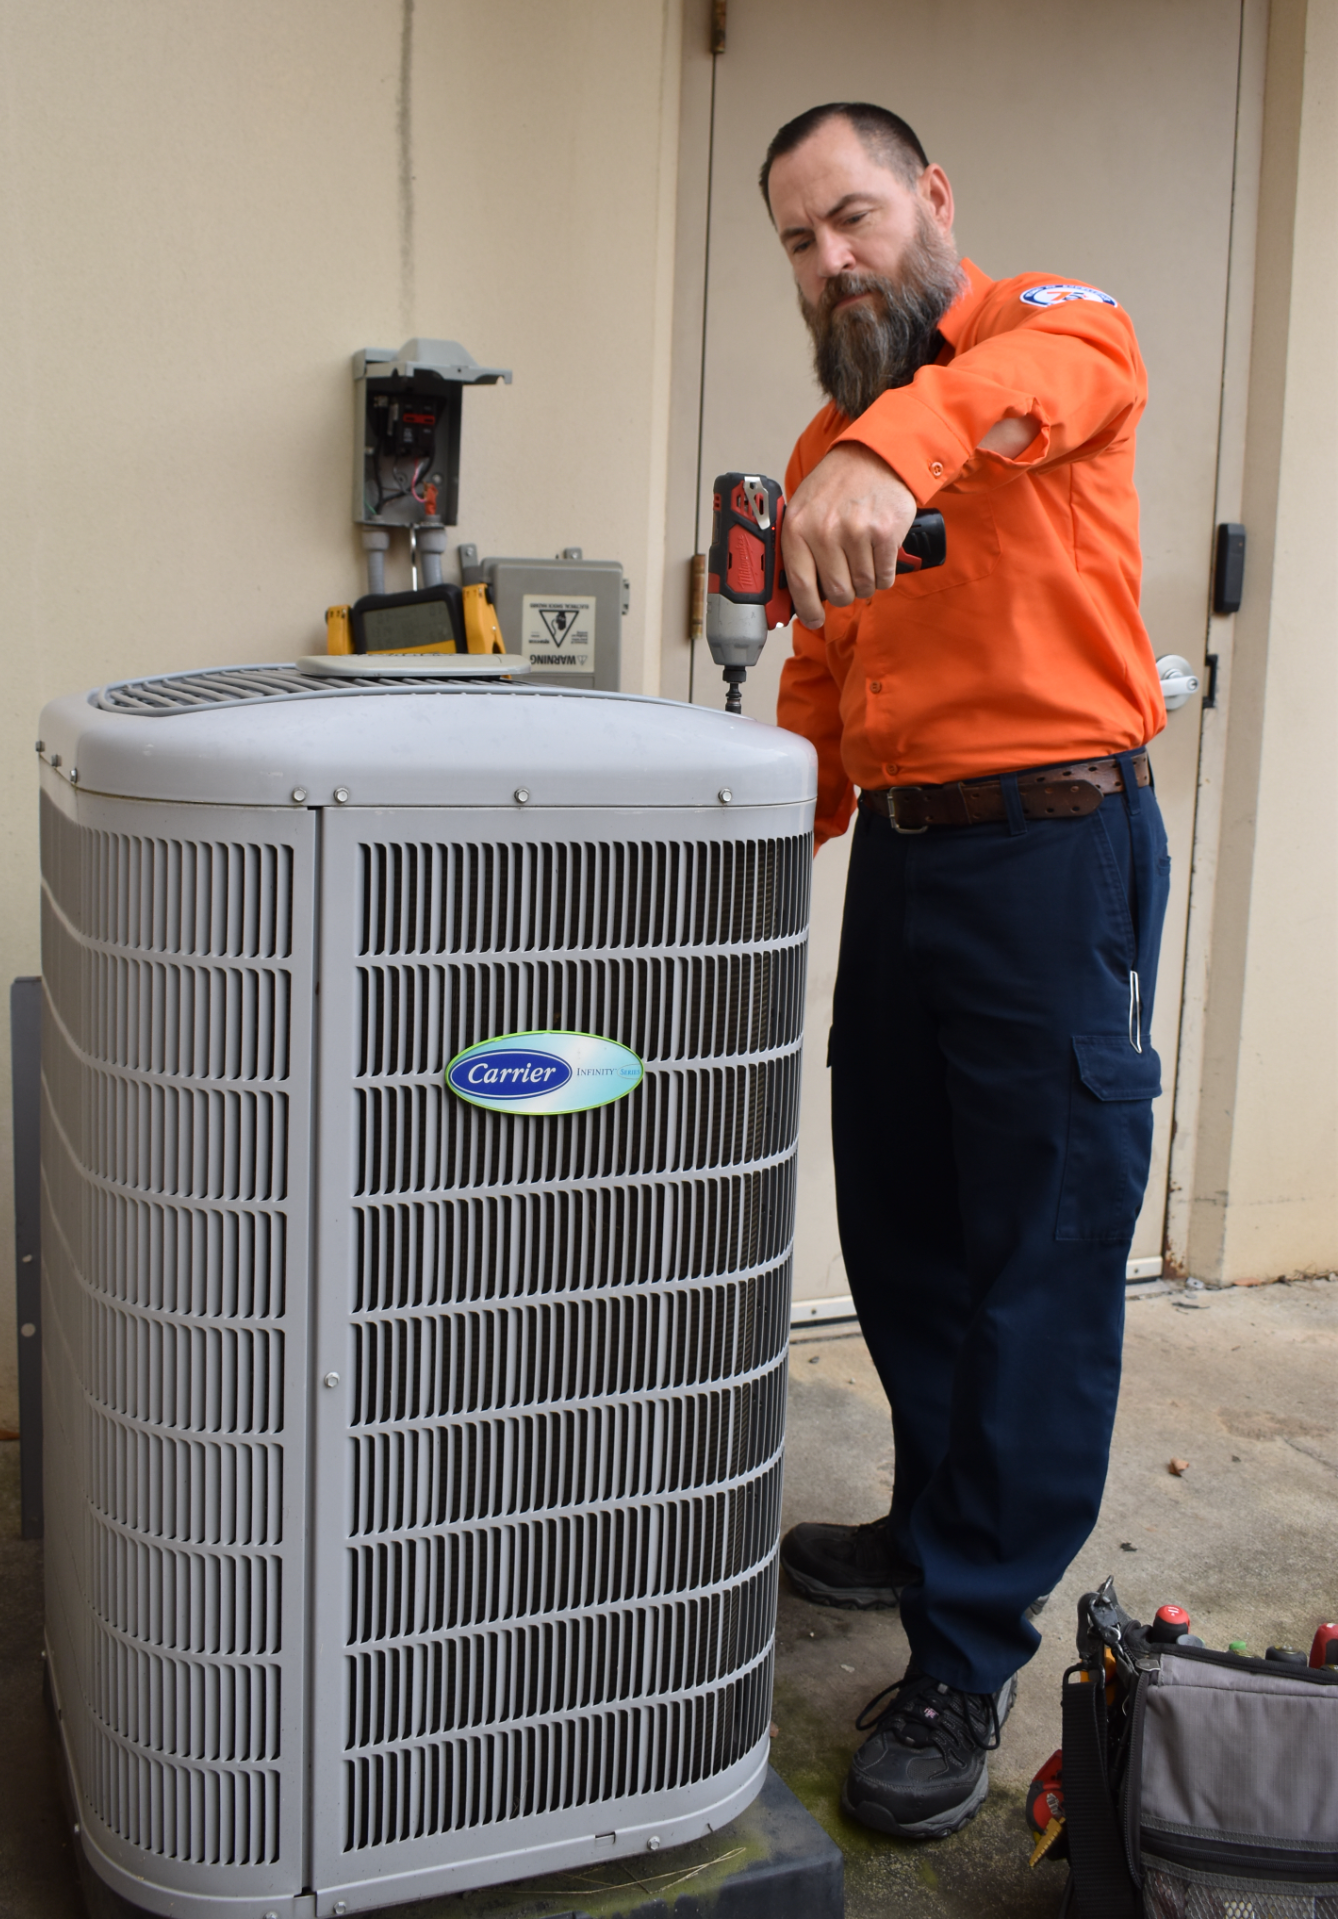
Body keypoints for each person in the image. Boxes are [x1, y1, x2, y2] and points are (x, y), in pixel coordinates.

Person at [763, 102, 1170, 1840]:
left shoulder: (1046, 335)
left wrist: (888, 446)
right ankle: (939, 1518)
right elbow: (818, 700)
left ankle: (970, 1638)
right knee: (910, 1234)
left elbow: (1050, 372)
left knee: (1037, 1253)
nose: (830, 259)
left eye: (851, 216)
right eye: (796, 239)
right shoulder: (817, 451)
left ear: (929, 200)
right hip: (913, 876)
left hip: (1053, 853)